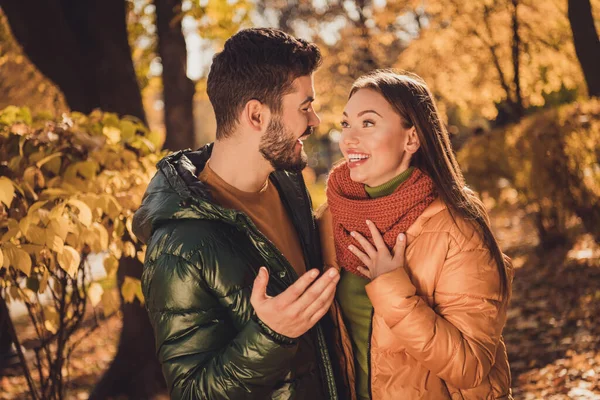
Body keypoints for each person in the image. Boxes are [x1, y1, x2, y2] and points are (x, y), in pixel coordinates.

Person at [132, 28, 340, 399]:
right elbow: (192, 392)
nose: (315, 122)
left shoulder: (288, 186)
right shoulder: (178, 246)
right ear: (256, 115)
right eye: (305, 107)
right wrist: (271, 335)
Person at [318, 70, 513, 400]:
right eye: (346, 123)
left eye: (368, 123)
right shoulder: (332, 218)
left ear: (411, 139)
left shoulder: (457, 231)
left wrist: (393, 288)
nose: (349, 138)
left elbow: (470, 366)